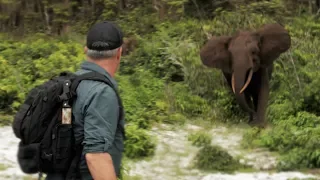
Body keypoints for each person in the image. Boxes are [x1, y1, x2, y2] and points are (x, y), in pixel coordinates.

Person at [46, 21, 126, 180]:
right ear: (119, 53)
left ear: (85, 51)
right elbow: (96, 157)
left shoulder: (68, 84)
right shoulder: (102, 93)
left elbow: (67, 127)